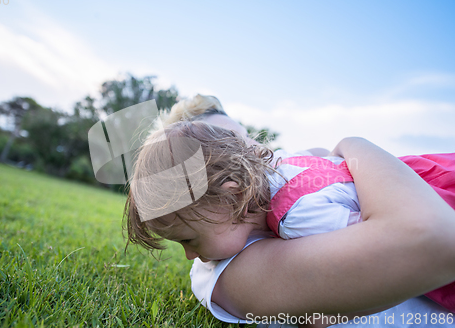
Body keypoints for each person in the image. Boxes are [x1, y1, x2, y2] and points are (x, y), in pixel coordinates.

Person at [124, 96, 455, 326]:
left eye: (245, 142)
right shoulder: (245, 251)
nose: (256, 155)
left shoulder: (296, 210)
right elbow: (415, 241)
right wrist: (355, 145)